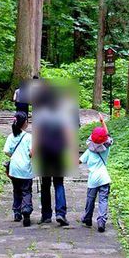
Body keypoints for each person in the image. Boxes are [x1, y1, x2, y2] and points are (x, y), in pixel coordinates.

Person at [32, 84, 73, 226]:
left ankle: (46, 215)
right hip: (58, 150)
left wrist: (33, 151)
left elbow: (37, 134)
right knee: (59, 183)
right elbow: (68, 133)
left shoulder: (40, 113)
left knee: (45, 184)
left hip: (44, 151)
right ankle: (61, 213)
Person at [80, 114, 113, 232]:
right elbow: (107, 135)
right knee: (103, 200)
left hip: (93, 180)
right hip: (104, 178)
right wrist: (102, 122)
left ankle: (87, 218)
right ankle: (101, 221)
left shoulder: (89, 151)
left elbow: (78, 161)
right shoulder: (106, 148)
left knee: (90, 200)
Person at [3, 111, 34, 226]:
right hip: (26, 168)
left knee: (16, 190)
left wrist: (13, 156)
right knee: (26, 190)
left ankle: (17, 212)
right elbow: (32, 153)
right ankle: (26, 210)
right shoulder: (29, 137)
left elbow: (6, 151)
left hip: (14, 168)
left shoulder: (11, 136)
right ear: (24, 123)